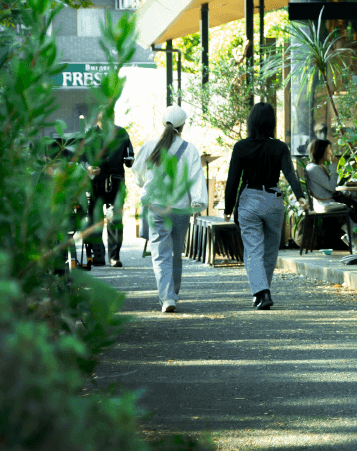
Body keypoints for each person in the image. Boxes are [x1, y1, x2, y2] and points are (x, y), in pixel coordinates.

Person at [224, 103, 308, 310]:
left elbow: (233, 179)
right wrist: (300, 197)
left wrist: (227, 207)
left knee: (253, 249)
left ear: (251, 122)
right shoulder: (279, 147)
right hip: (273, 199)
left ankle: (262, 292)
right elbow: (290, 173)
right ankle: (262, 293)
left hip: (250, 200)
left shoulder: (241, 147)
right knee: (270, 251)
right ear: (272, 122)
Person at [131, 106, 206, 313]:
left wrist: (143, 185)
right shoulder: (189, 149)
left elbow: (137, 175)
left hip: (156, 208)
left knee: (160, 254)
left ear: (162, 123)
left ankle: (167, 298)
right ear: (183, 126)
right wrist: (198, 202)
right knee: (175, 253)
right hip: (181, 209)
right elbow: (197, 177)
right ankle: (173, 293)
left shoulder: (148, 146)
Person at [84, 116, 135, 267]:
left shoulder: (122, 133)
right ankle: (98, 256)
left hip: (116, 182)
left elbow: (130, 156)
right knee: (95, 220)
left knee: (115, 220)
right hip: (96, 182)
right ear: (97, 120)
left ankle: (114, 257)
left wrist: (129, 161)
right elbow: (82, 157)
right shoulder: (90, 134)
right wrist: (88, 167)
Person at [305, 139, 357, 251]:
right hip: (325, 203)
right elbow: (332, 187)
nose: (331, 152)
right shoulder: (314, 168)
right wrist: (334, 166)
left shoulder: (318, 166)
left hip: (330, 200)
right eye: (328, 149)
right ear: (320, 151)